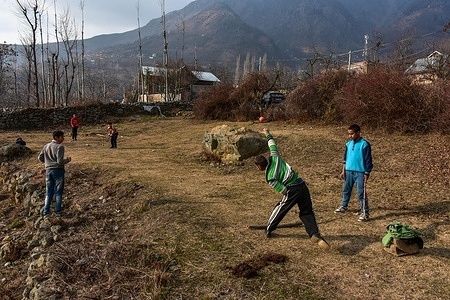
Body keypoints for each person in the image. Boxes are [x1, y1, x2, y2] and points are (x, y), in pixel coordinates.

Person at [254, 128, 330, 250]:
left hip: (292, 189)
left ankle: (269, 229)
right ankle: (314, 233)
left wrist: (288, 197)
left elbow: (283, 190)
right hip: (301, 184)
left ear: (258, 167)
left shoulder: (269, 176)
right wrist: (267, 133)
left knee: (280, 208)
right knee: (307, 211)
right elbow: (272, 144)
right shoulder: (275, 157)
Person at [334, 124, 373, 222]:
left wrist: (367, 173)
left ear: (358, 132)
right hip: (348, 171)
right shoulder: (348, 144)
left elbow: (368, 160)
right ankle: (344, 205)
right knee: (346, 189)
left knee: (361, 193)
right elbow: (345, 159)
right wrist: (343, 170)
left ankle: (365, 212)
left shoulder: (365, 144)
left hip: (360, 172)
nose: (350, 136)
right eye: (349, 134)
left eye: (352, 134)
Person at [38, 130, 71, 217]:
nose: (63, 139)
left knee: (49, 191)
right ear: (57, 137)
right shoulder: (60, 147)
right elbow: (60, 161)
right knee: (58, 191)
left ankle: (46, 211)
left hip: (48, 170)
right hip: (58, 170)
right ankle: (57, 211)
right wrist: (67, 160)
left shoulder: (46, 146)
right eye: (62, 137)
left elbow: (40, 158)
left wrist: (47, 162)